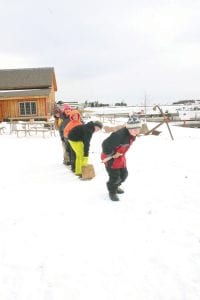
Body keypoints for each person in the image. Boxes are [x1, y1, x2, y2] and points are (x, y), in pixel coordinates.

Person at [101, 116, 141, 201]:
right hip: (110, 158)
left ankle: (115, 186)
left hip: (120, 157)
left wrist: (119, 154)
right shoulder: (118, 135)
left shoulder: (132, 134)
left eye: (138, 128)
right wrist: (113, 153)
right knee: (115, 177)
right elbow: (105, 145)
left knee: (124, 175)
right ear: (129, 128)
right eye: (135, 129)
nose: (137, 131)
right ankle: (112, 192)